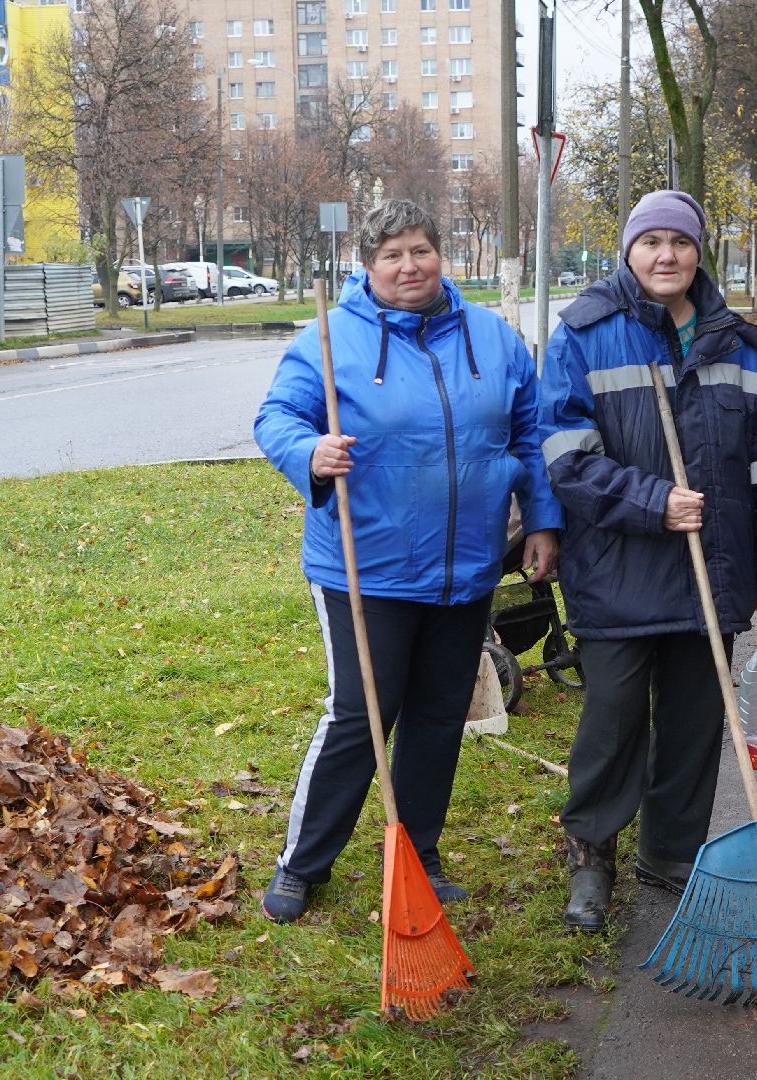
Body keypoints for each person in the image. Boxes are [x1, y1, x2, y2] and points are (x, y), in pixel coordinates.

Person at [254, 199, 562, 923]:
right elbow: (277, 418)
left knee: (434, 713)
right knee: (361, 716)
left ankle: (418, 854)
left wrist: (543, 520)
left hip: (467, 566)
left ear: (440, 255)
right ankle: (303, 863)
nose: (409, 266)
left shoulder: (492, 337)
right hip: (369, 568)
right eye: (391, 254)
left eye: (420, 250)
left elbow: (531, 433)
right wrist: (310, 453)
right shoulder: (332, 340)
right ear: (368, 265)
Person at [537, 189, 757, 932]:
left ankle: (672, 849)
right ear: (628, 251)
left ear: (698, 252)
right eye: (650, 241)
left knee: (694, 718)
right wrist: (652, 502)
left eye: (679, 242)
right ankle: (591, 852)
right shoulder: (586, 334)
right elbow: (565, 456)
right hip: (619, 567)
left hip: (713, 570)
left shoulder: (741, 346)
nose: (665, 255)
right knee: (614, 714)